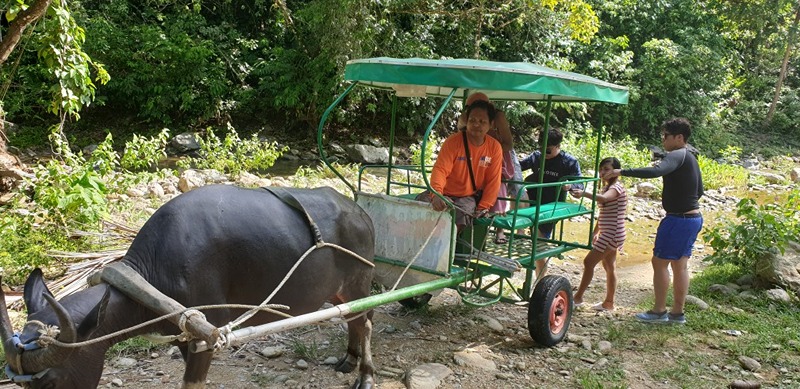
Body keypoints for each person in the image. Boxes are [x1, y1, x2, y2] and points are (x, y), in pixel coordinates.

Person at [602, 117, 703, 324]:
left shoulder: (677, 154)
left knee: (659, 262)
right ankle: (677, 313)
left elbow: (656, 171)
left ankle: (658, 311)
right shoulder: (691, 157)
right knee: (680, 265)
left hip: (678, 220)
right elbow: (699, 190)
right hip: (693, 218)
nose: (663, 140)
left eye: (665, 136)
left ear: (679, 137)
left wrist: (622, 171)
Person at [418, 99, 503, 232]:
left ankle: (448, 247)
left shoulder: (494, 148)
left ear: (491, 124)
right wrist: (437, 194)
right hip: (443, 192)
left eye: (482, 121)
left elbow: (493, 180)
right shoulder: (453, 141)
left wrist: (483, 207)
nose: (476, 125)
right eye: (472, 120)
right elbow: (440, 169)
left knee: (462, 215)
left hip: (466, 196)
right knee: (419, 206)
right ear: (466, 121)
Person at [457, 92, 522, 244]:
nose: (477, 122)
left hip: (495, 155)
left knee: (499, 185)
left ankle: (501, 229)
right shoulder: (466, 116)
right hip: (474, 156)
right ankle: (473, 231)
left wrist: (490, 146)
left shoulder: (498, 117)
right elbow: (461, 133)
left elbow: (508, 144)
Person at [519, 128, 583, 277]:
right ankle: (520, 232)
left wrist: (570, 186)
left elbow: (579, 184)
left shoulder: (569, 162)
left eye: (547, 151)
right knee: (519, 190)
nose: (544, 154)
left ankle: (541, 280)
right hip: (531, 201)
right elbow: (517, 167)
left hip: (551, 206)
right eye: (542, 150)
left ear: (558, 146)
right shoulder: (536, 156)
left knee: (539, 243)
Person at [570, 157, 627, 312]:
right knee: (609, 266)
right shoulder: (608, 187)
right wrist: (596, 231)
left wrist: (583, 193)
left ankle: (578, 298)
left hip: (612, 234)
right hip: (610, 232)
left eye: (607, 169)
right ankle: (609, 303)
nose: (602, 173)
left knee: (589, 262)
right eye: (601, 169)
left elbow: (603, 199)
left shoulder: (616, 188)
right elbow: (604, 211)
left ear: (616, 171)